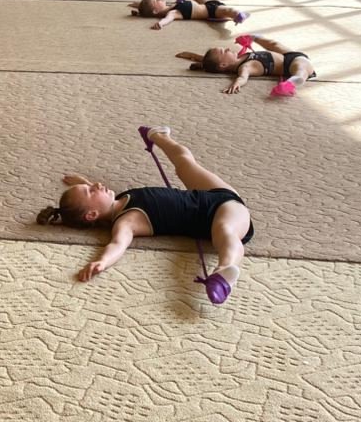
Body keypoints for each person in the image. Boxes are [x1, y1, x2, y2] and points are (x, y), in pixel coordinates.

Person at [36, 127, 251, 303]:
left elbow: (94, 196)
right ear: (92, 214)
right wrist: (102, 262)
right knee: (225, 232)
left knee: (184, 163)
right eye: (91, 191)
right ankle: (223, 273)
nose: (97, 185)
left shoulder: (118, 199)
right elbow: (117, 244)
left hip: (216, 195)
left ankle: (157, 135)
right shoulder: (126, 222)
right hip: (223, 216)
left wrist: (82, 183)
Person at [177, 33, 317, 97]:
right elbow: (243, 77)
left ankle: (254, 36)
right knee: (301, 67)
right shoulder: (245, 67)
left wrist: (195, 57)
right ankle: (296, 79)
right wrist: (235, 84)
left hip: (287, 55)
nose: (228, 48)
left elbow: (211, 62)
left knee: (273, 44)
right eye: (224, 51)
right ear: (224, 64)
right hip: (289, 65)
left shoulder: (239, 57)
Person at [130, 0, 249, 30]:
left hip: (208, 4)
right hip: (211, 11)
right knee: (227, 10)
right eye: (156, 0)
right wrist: (161, 23)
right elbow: (168, 19)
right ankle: (238, 15)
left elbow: (145, 8)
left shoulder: (173, 5)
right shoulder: (174, 12)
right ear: (155, 11)